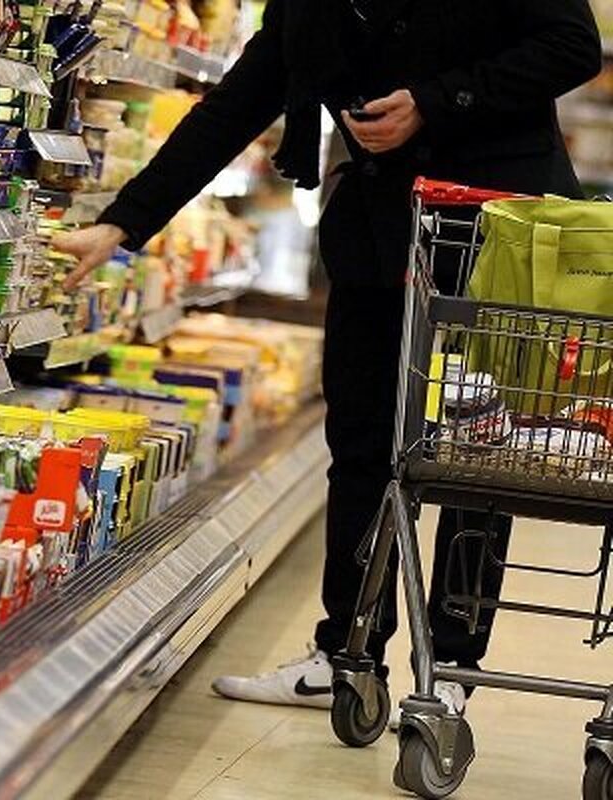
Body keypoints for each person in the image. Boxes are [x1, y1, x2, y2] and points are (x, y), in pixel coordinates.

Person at [54, 0, 602, 716]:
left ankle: (454, 667)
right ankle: (347, 653)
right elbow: (242, 99)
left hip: (498, 234)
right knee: (362, 442)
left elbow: (571, 46)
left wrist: (433, 103)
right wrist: (123, 222)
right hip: (380, 230)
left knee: (479, 456)